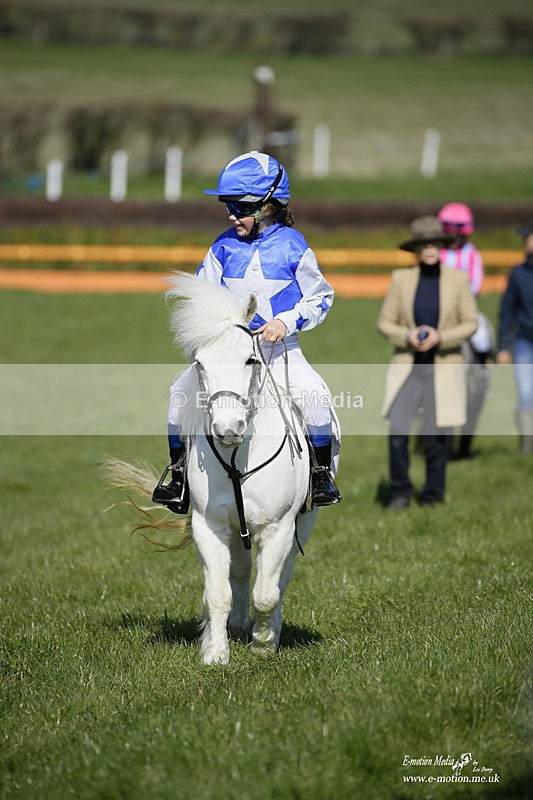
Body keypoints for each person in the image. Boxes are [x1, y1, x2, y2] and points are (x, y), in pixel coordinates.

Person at [152, 150, 341, 513]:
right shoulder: (221, 247)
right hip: (229, 355)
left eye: (239, 206)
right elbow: (200, 296)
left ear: (267, 206)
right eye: (228, 206)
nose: (230, 214)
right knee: (179, 395)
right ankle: (177, 476)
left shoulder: (293, 246)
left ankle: (320, 476)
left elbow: (321, 297)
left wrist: (285, 322)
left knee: (315, 396)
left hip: (281, 350)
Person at [377, 215, 478, 510]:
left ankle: (433, 496)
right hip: (409, 366)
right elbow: (385, 322)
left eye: (435, 243)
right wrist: (408, 335)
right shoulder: (401, 279)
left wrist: (441, 336)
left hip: (443, 366)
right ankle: (400, 492)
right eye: (424, 244)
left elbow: (470, 322)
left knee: (436, 438)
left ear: (442, 246)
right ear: (417, 249)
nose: (430, 248)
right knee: (398, 433)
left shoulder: (458, 280)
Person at [438, 202, 495, 459]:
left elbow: (476, 283)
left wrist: (459, 301)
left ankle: (483, 364)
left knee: (481, 333)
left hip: (466, 309)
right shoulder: (439, 253)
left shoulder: (472, 253)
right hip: (442, 311)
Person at [496, 221, 533, 455]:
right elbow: (507, 311)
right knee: (526, 392)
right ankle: (527, 447)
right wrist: (503, 347)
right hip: (524, 341)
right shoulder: (518, 274)